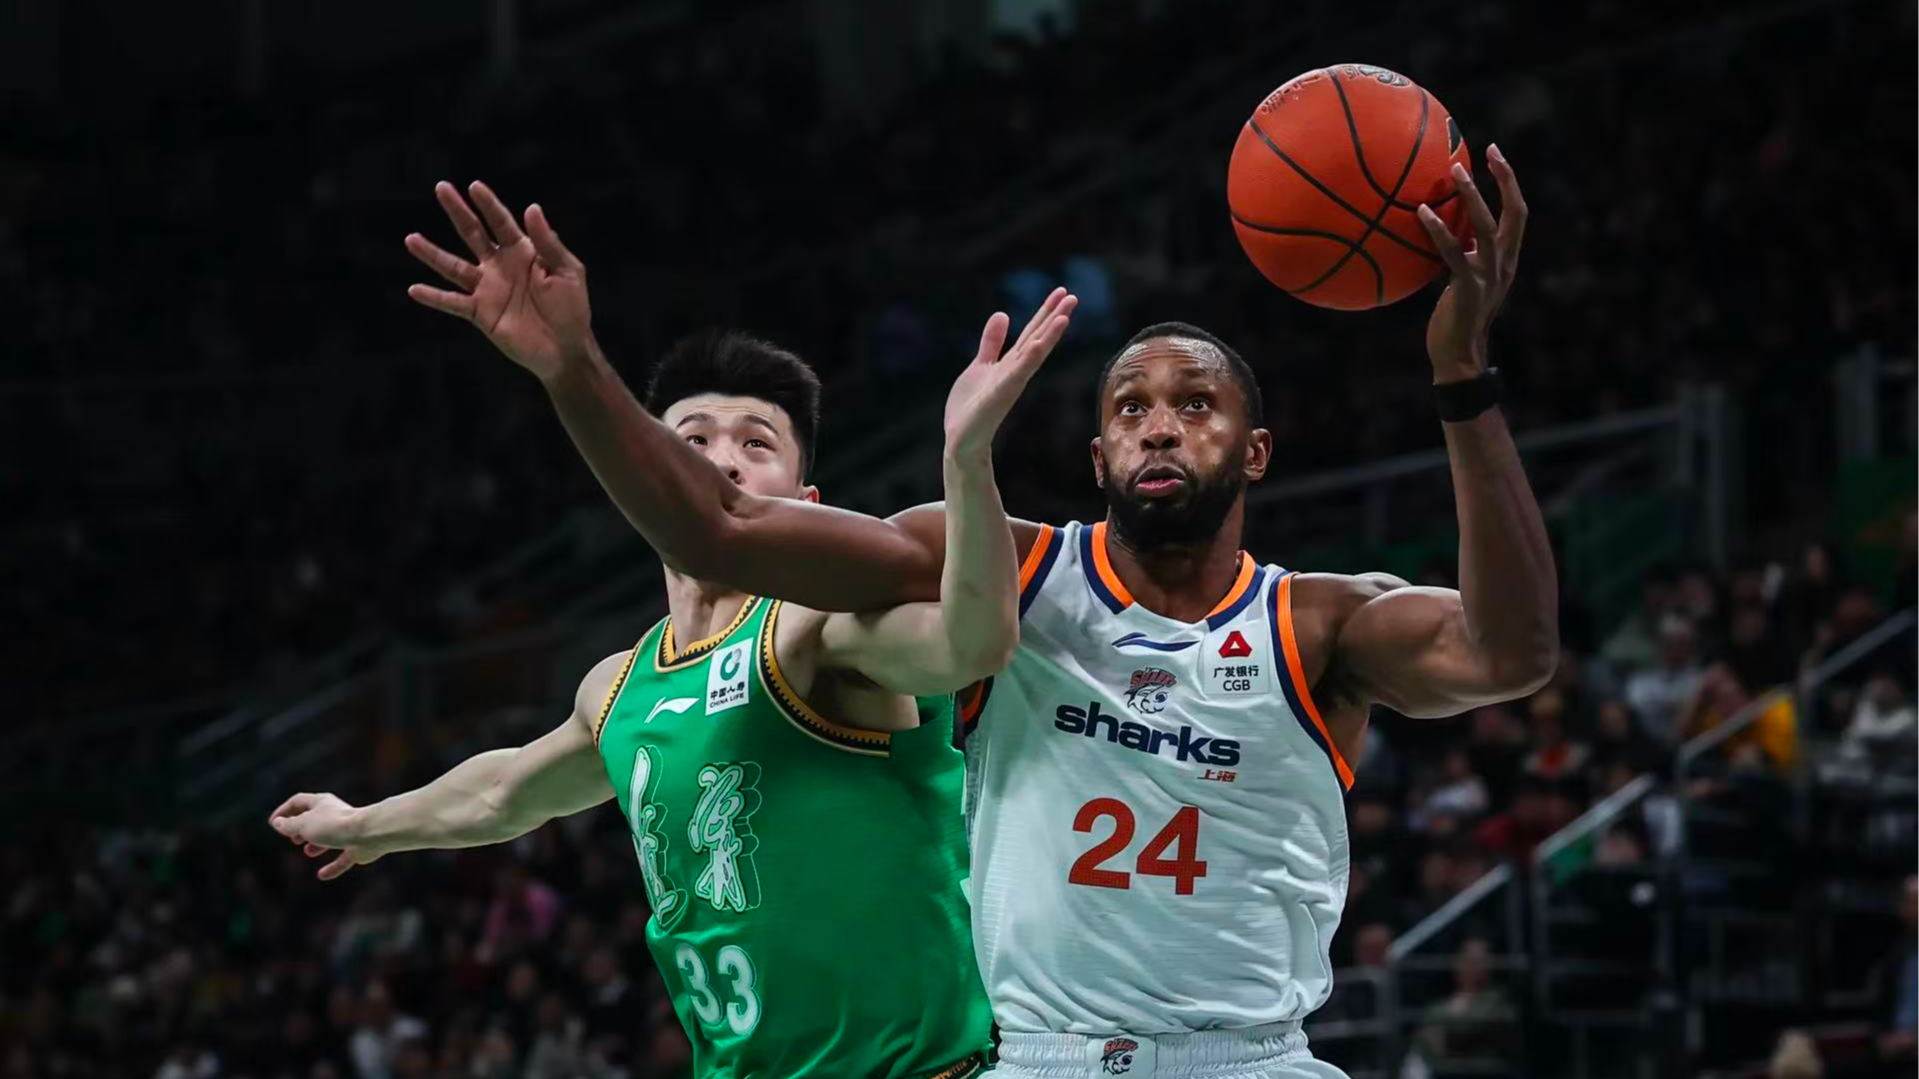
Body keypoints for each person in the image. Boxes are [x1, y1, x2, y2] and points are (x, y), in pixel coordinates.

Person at [443, 152, 1553, 1079]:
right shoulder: (998, 563)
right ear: (1096, 452)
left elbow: (1510, 653)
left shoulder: (1317, 622)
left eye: (1194, 405)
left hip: (1251, 1055)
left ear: (1254, 450)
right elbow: (720, 532)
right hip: (1039, 1057)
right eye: (1129, 408)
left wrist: (1458, 372)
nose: (1158, 426)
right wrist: (571, 366)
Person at [271, 179, 1081, 1079]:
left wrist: (965, 463)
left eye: (755, 443)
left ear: (807, 505)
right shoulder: (619, 685)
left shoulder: (815, 631)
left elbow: (970, 647)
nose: (721, 458)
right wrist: (367, 822)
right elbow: (503, 792)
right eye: (689, 441)